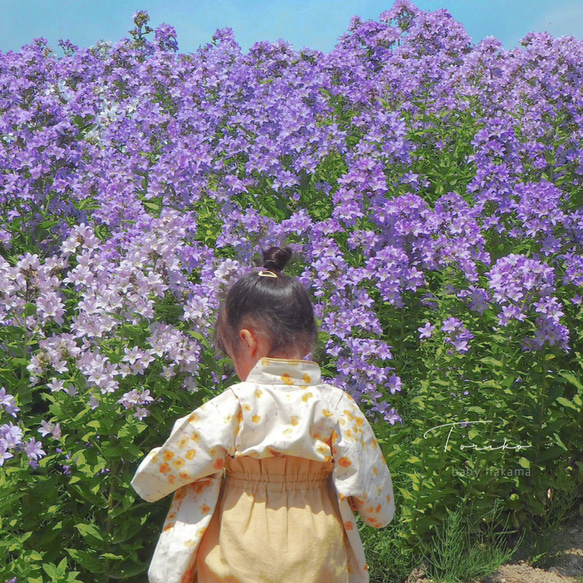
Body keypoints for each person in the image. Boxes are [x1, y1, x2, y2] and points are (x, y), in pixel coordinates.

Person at [131, 246, 395, 583]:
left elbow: (175, 460)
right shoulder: (335, 404)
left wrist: (147, 479)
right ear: (308, 340)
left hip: (240, 542)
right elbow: (373, 493)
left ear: (247, 341)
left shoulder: (236, 403)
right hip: (317, 546)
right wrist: (374, 511)